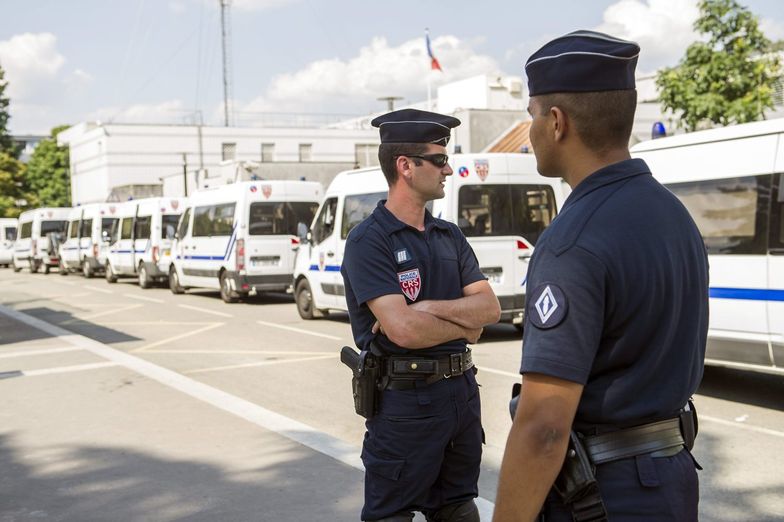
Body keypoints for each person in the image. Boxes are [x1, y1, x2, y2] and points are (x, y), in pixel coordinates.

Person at [494, 30, 708, 521]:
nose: (529, 132)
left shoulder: (574, 239)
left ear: (556, 122)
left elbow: (544, 426)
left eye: (530, 117)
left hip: (601, 497)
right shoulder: (672, 213)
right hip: (670, 480)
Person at [341, 108, 501, 522]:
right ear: (406, 166)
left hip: (461, 397)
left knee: (458, 508)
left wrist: (428, 307)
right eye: (439, 160)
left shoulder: (449, 235)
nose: (448, 170)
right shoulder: (369, 241)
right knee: (391, 514)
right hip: (405, 403)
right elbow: (404, 330)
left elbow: (489, 312)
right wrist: (456, 321)